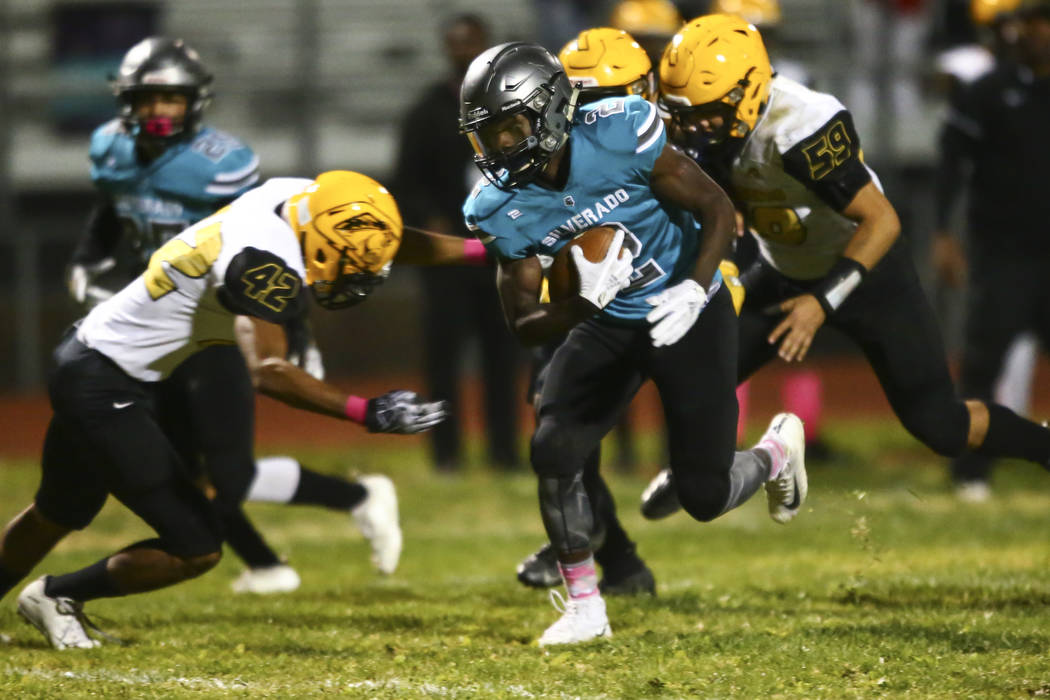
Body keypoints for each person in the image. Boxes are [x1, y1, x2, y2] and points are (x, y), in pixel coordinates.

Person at [0, 170, 480, 649]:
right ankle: (57, 596)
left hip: (95, 357)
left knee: (58, 510)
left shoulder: (301, 199)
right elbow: (268, 370)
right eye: (349, 264)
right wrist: (367, 411)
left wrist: (482, 249)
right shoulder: (260, 262)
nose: (357, 274)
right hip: (104, 384)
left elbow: (385, 238)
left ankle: (48, 596)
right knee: (197, 546)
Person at [459, 41, 809, 646]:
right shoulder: (498, 206)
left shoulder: (620, 132)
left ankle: (776, 453)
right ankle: (585, 606)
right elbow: (522, 322)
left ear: (547, 111)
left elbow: (717, 207)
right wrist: (579, 306)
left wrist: (697, 290)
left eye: (511, 129)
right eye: (487, 137)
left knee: (704, 494)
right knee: (553, 445)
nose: (499, 149)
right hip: (608, 321)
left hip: (684, 308)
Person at [639, 14, 1050, 518]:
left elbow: (881, 221)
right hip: (785, 269)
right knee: (693, 366)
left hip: (866, 274)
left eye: (703, 113)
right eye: (683, 113)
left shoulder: (801, 124)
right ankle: (717, 469)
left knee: (942, 427)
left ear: (747, 93)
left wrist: (821, 299)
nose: (691, 127)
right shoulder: (717, 126)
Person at [65, 36, 396, 596]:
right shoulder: (111, 149)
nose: (158, 111)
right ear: (126, 101)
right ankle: (270, 563)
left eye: (170, 98)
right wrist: (87, 257)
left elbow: (273, 254)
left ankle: (353, 501)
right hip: (161, 320)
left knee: (227, 474)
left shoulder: (220, 165)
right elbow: (112, 207)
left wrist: (296, 326)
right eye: (147, 98)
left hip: (217, 321)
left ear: (195, 101)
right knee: (184, 466)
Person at [393, 13, 522, 473]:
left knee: (503, 357)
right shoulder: (427, 111)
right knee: (443, 358)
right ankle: (446, 454)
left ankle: (504, 452)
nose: (464, 52)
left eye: (472, 43)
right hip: (446, 258)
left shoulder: (513, 103)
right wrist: (432, 221)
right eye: (456, 44)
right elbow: (406, 182)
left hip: (502, 255)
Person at [931, 0, 1050, 501]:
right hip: (1006, 252)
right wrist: (943, 233)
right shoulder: (987, 91)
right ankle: (971, 473)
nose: (1035, 31)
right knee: (983, 361)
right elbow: (951, 164)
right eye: (1030, 21)